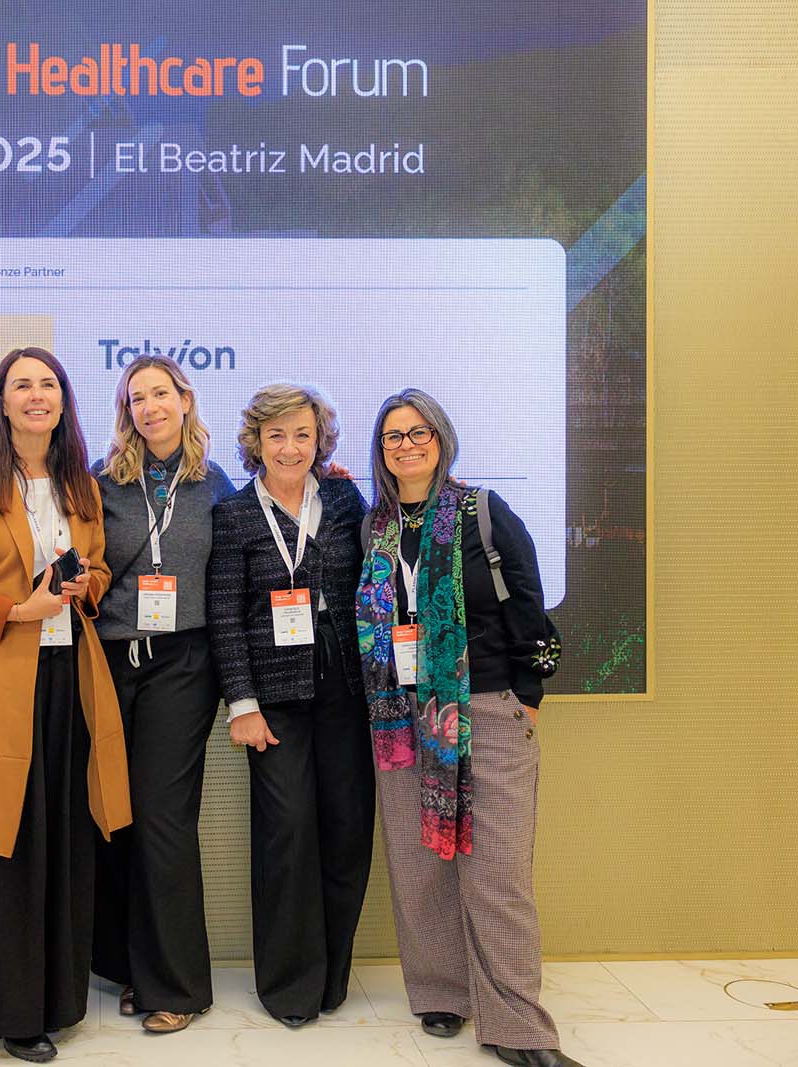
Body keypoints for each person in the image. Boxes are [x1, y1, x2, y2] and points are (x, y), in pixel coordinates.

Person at [354, 389, 576, 1067]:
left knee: (497, 872)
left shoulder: (483, 511)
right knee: (419, 863)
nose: (407, 445)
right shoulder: (374, 528)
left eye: (418, 432)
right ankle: (441, 992)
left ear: (441, 439)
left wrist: (526, 697)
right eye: (393, 436)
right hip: (401, 716)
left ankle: (518, 1024)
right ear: (380, 450)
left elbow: (529, 604)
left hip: (487, 707)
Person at [0, 347, 132, 1063]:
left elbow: (99, 566)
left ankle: (59, 1000)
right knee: (9, 842)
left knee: (64, 837)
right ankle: (14, 1014)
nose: (37, 395)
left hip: (68, 678)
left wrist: (82, 587)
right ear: (2, 401)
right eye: (23, 385)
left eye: (48, 384)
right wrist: (21, 609)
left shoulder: (81, 484)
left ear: (63, 399)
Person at [206, 382, 375, 1028]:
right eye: (276, 435)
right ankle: (289, 986)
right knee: (287, 833)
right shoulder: (233, 514)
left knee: (346, 829)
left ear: (319, 440)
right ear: (256, 441)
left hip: (345, 685)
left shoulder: (342, 497)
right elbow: (225, 615)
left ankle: (331, 976)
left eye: (303, 434)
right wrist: (241, 703)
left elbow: (381, 563)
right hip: (272, 695)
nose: (290, 447)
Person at [90, 356, 236, 1033]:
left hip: (183, 662)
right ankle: (128, 967)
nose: (149, 407)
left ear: (185, 399)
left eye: (160, 394)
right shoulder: (100, 480)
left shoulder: (215, 483)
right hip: (111, 659)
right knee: (113, 814)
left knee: (164, 818)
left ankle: (178, 985)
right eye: (136, 398)